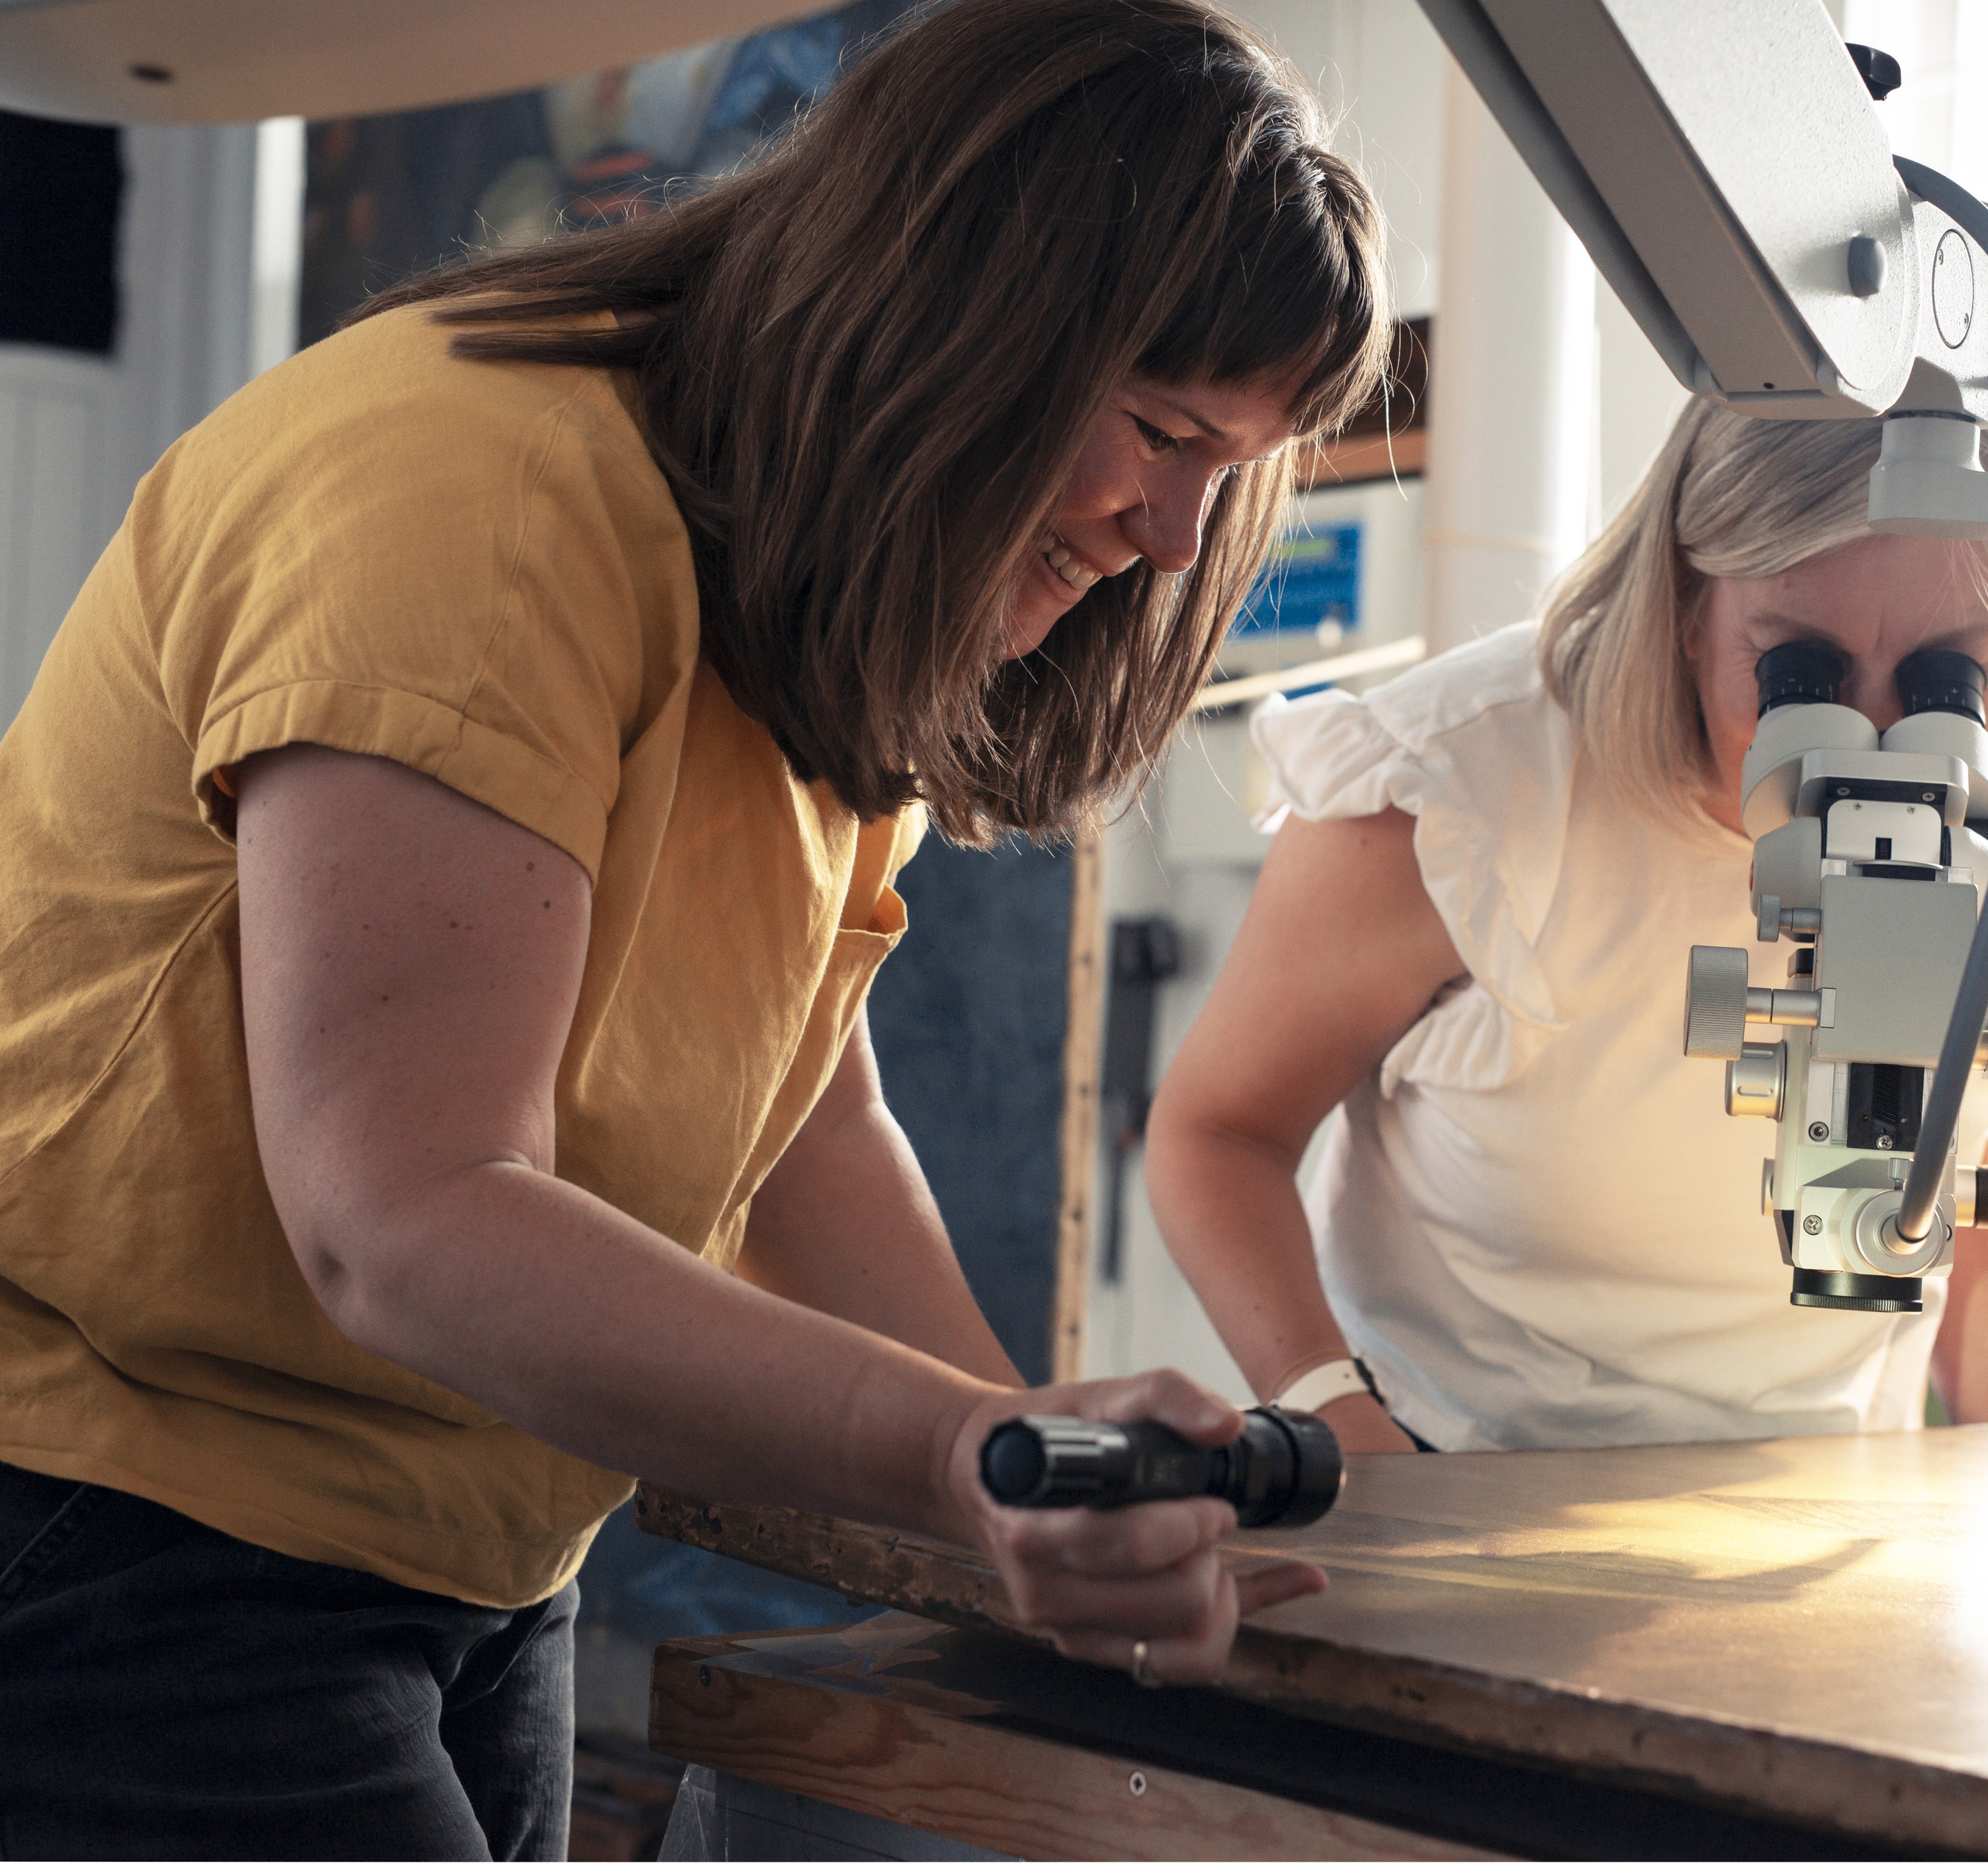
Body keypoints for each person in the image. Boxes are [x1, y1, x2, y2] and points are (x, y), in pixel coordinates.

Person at [0, 2, 1388, 1853]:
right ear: (967, 312)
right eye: (1159, 432)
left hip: (469, 1536)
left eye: (1233, 465)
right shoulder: (475, 494)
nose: (1171, 534)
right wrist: (958, 1461)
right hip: (120, 1504)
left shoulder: (818, 568)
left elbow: (812, 1125)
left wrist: (1044, 1469)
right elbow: (400, 1217)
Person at [1147, 398, 1988, 1455]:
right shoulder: (1460, 790)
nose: (1878, 743)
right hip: (1460, 1473)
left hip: (1820, 1493)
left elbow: (1956, 1230)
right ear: (1687, 604)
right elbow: (1220, 1135)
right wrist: (1346, 1437)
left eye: (1950, 679)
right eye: (1804, 673)